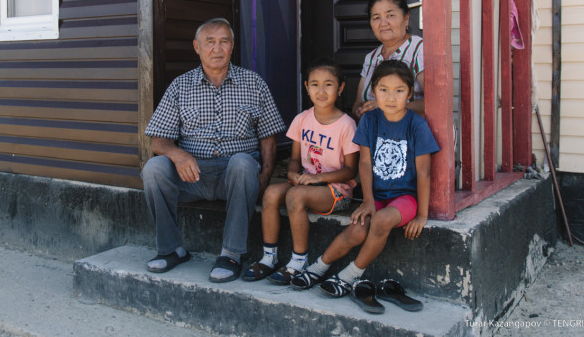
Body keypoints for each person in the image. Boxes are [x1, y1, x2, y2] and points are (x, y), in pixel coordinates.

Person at [141, 18, 286, 283]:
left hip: (235, 175)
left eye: (224, 41)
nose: (217, 48)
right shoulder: (180, 86)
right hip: (192, 175)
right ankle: (171, 249)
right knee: (154, 168)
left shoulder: (253, 83)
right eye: (210, 42)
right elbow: (158, 141)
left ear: (232, 46)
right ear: (197, 47)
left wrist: (264, 178)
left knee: (243, 162)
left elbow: (269, 137)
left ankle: (231, 254)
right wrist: (179, 155)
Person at [290, 60, 439, 312]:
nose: (390, 97)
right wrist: (368, 200)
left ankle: (349, 275)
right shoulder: (370, 120)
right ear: (373, 91)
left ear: (410, 93)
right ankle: (318, 268)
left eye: (399, 90)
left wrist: (422, 215)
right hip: (376, 196)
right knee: (357, 230)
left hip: (405, 198)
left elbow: (424, 172)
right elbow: (365, 163)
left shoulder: (417, 124)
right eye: (383, 90)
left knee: (380, 221)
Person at [242, 60, 359, 285]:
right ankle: (269, 257)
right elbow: (295, 159)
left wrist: (318, 178)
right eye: (315, 84)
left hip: (336, 191)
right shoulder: (302, 119)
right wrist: (292, 174)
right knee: (271, 193)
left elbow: (350, 171)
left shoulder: (346, 125)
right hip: (307, 183)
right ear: (306, 87)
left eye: (328, 84)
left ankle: (299, 261)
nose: (321, 91)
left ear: (341, 88)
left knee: (295, 196)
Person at [352, 0, 425, 120]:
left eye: (390, 15)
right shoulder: (371, 57)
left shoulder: (419, 49)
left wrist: (388, 108)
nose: (383, 23)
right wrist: (360, 111)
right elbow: (358, 103)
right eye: (376, 18)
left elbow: (434, 103)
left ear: (406, 18)